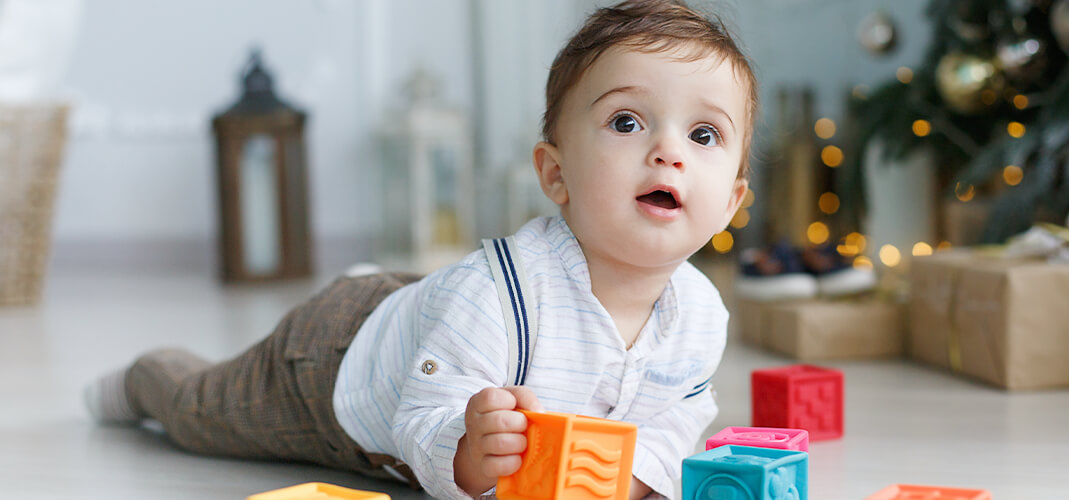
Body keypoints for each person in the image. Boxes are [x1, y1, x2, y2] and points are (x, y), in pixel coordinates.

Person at [83, 1, 758, 498]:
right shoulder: (504, 295)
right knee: (205, 412)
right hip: (334, 366)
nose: (668, 150)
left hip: (427, 320)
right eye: (627, 121)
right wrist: (467, 451)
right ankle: (146, 378)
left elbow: (681, 413)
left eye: (704, 135)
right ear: (555, 174)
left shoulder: (699, 317)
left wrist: (638, 482)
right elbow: (418, 418)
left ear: (729, 202)